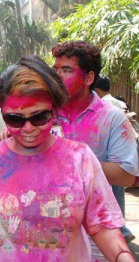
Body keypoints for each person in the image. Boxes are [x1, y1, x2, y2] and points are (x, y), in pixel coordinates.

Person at [0, 55, 135, 262]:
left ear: (54, 109)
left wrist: (123, 256)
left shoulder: (79, 159)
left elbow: (103, 225)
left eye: (39, 117)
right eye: (14, 119)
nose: (28, 128)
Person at [52, 40, 138, 260]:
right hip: (50, 236)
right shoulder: (43, 114)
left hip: (97, 237)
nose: (57, 76)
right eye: (56, 70)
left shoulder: (112, 117)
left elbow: (127, 175)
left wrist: (78, 160)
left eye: (67, 70)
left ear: (89, 78)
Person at [94, 75, 136, 242]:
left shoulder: (107, 107)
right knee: (117, 194)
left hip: (111, 159)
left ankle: (118, 230)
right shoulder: (118, 102)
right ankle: (121, 229)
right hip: (120, 155)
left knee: (112, 193)